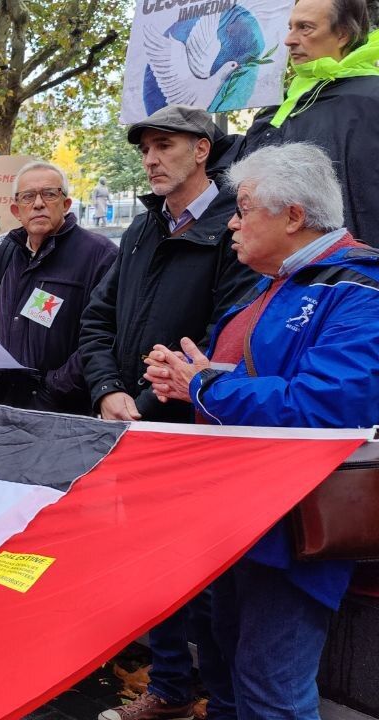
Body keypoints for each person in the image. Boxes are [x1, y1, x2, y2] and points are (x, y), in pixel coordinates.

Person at [144, 142, 379, 719]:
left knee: (273, 688)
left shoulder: (360, 290)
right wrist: (192, 378)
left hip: (293, 528)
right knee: (230, 668)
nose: (233, 222)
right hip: (242, 515)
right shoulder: (281, 282)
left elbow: (322, 406)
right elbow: (274, 376)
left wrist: (206, 385)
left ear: (293, 216)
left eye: (244, 208)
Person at [82, 105, 257, 720]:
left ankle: (220, 699)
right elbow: (97, 320)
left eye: (164, 146)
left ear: (202, 149)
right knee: (146, 568)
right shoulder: (141, 228)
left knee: (207, 581)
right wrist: (107, 390)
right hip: (134, 429)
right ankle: (171, 689)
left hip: (195, 434)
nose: (151, 159)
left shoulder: (234, 229)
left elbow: (226, 340)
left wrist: (145, 401)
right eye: (145, 149)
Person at [0, 162, 116, 414]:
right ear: (16, 210)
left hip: (61, 408)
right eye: (28, 197)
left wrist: (53, 387)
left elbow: (105, 335)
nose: (38, 204)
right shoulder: (5, 254)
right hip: (0, 400)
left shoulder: (100, 255)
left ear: (66, 204)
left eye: (49, 194)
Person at [239, 0, 379, 246]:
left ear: (343, 35)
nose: (289, 40)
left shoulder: (371, 98)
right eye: (290, 27)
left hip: (352, 265)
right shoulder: (281, 106)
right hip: (278, 264)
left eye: (305, 28)